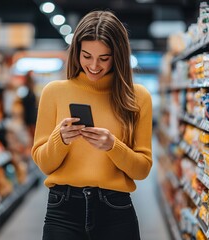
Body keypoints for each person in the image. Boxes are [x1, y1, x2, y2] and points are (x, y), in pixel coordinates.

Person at [31, 10, 153, 240]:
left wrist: (112, 146)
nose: (94, 66)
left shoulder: (138, 98)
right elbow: (44, 165)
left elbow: (142, 169)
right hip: (63, 210)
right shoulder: (54, 92)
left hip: (116, 210)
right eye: (86, 56)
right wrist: (61, 139)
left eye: (104, 58)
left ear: (118, 55)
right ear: (76, 52)